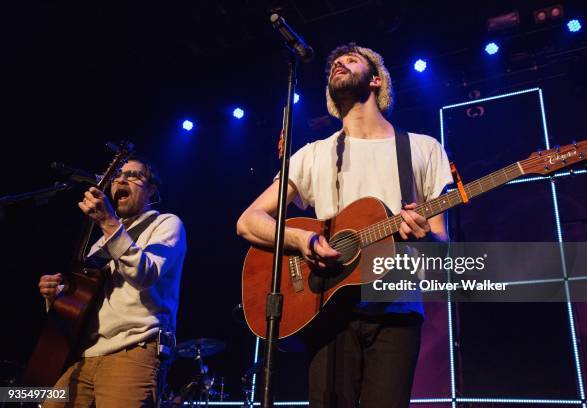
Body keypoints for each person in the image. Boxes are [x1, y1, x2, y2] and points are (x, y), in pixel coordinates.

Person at [237, 43, 453, 407]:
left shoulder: (423, 149)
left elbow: (442, 245)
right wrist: (302, 238)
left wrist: (425, 237)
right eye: (335, 62)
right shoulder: (312, 154)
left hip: (396, 314)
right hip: (328, 312)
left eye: (352, 59)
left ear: (376, 80)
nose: (339, 62)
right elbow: (248, 221)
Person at [38, 157, 187, 407]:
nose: (122, 180)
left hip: (132, 351)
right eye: (118, 176)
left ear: (152, 189)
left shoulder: (166, 224)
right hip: (83, 356)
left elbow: (145, 275)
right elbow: (87, 299)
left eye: (133, 175)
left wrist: (108, 221)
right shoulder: (102, 240)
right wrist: (57, 295)